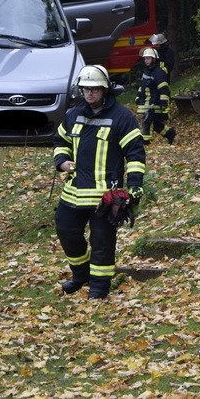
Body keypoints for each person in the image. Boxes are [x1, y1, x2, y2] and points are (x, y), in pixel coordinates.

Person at [54, 65, 146, 299]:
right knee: (66, 232)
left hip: (105, 195)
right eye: (86, 89)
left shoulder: (122, 118)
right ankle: (81, 274)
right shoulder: (73, 115)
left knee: (102, 241)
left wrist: (135, 185)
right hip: (73, 192)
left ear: (105, 90)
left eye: (95, 89)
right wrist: (62, 161)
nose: (90, 94)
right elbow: (60, 141)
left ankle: (99, 288)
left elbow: (135, 153)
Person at [136, 47, 176, 145]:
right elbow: (142, 85)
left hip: (155, 101)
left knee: (147, 119)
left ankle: (145, 140)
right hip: (147, 101)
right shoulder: (146, 71)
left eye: (148, 58)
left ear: (154, 59)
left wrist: (163, 104)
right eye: (145, 59)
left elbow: (164, 89)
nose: (146, 61)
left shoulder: (159, 72)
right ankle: (170, 133)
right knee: (155, 123)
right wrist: (138, 96)